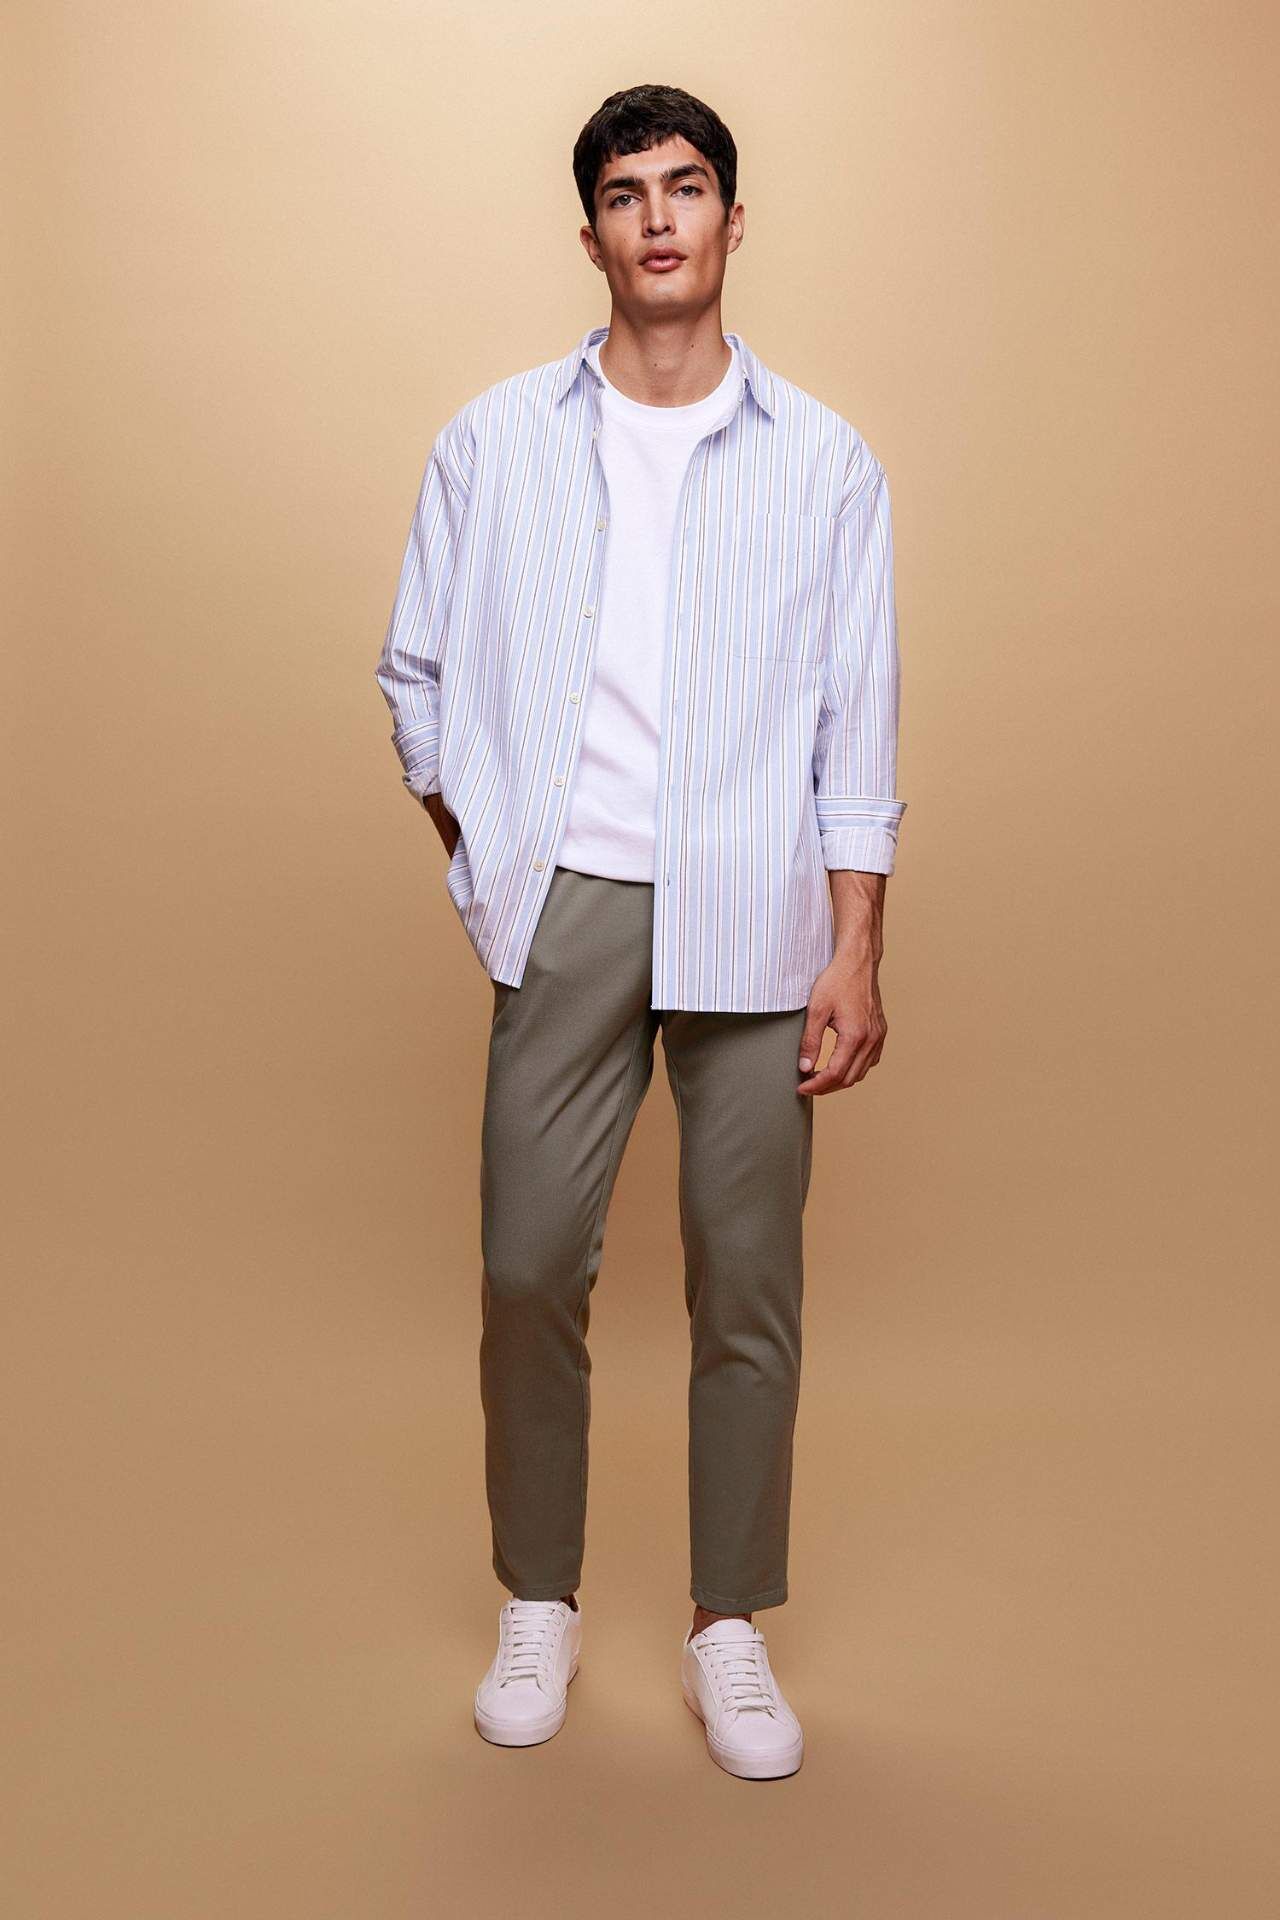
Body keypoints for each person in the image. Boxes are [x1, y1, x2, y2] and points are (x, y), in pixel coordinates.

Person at [374, 82, 907, 1781]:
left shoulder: (824, 463)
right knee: (529, 1265)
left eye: (687, 188)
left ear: (734, 221)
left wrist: (856, 943)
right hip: (574, 900)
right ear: (592, 232)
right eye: (626, 192)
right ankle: (540, 1598)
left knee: (749, 1279)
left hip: (757, 898)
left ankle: (725, 1623)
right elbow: (415, 677)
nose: (659, 217)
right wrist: (496, 870)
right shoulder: (494, 441)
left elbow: (858, 724)